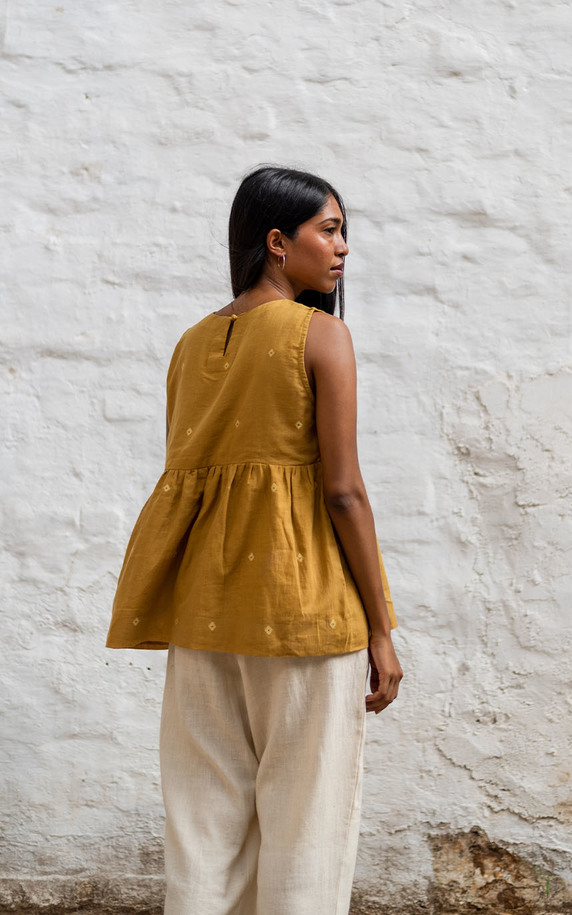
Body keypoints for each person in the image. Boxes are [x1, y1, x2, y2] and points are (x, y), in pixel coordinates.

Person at [107, 165, 403, 915]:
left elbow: (196, 480)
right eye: (329, 230)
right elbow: (343, 490)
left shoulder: (191, 343)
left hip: (204, 609)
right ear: (277, 241)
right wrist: (381, 628)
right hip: (303, 610)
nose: (342, 247)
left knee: (205, 828)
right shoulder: (322, 335)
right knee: (307, 826)